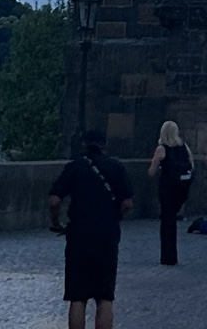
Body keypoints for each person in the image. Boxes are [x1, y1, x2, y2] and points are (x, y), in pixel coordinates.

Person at [49, 129, 134, 329]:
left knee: (77, 296)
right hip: (107, 234)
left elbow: (53, 200)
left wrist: (55, 222)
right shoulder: (116, 168)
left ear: (83, 145)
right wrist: (116, 217)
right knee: (105, 295)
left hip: (79, 234)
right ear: (105, 145)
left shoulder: (74, 167)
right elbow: (128, 203)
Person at [147, 118, 194, 265]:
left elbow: (152, 172)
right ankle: (172, 255)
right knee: (172, 219)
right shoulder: (184, 146)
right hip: (182, 187)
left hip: (168, 187)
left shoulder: (162, 149)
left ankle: (168, 256)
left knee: (167, 222)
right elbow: (191, 165)